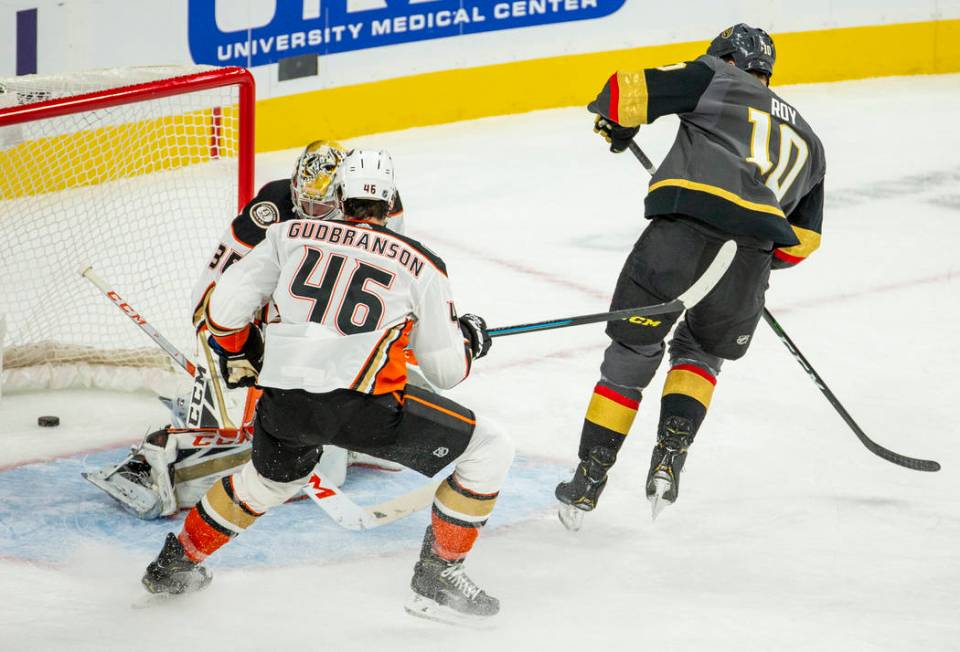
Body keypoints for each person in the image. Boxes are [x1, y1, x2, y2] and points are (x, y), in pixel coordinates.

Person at [141, 149, 514, 625]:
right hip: (370, 414)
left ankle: (173, 566)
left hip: (283, 407)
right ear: (391, 202)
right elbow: (446, 372)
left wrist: (243, 354)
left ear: (339, 196)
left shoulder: (285, 234)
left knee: (268, 481)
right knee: (490, 450)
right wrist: (468, 340)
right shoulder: (422, 265)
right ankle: (438, 577)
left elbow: (222, 314)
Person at [555, 24, 826, 526]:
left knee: (633, 350)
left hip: (681, 238)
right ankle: (668, 461)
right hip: (750, 261)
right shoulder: (811, 140)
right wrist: (752, 258)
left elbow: (621, 92)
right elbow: (802, 243)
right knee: (700, 352)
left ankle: (589, 478)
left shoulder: (716, 76)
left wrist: (619, 125)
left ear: (724, 56)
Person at [84, 141, 405, 519]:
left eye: (321, 208)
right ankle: (168, 454)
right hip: (273, 313)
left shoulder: (378, 206)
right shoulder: (269, 212)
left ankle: (341, 432)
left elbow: (389, 279)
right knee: (305, 454)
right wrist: (231, 348)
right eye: (305, 202)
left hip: (333, 317)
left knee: (355, 410)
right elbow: (213, 290)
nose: (310, 213)